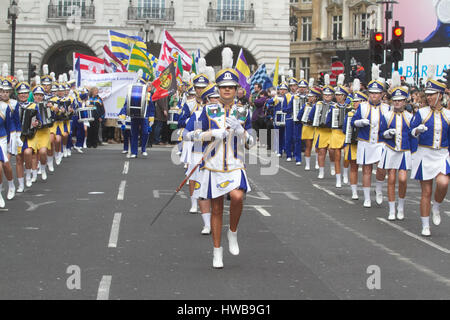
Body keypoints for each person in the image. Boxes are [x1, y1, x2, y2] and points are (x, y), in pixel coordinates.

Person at [193, 55, 254, 269]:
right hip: (213, 165)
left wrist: (241, 131)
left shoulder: (244, 111)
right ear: (218, 89)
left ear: (237, 89)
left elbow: (252, 142)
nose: (227, 90)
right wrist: (212, 133)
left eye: (231, 87)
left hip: (236, 164)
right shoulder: (207, 110)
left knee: (237, 196)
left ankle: (233, 232)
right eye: (223, 87)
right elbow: (192, 135)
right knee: (217, 209)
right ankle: (217, 252)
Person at [410, 77, 449, 237]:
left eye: (433, 94)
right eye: (428, 94)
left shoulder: (448, 114)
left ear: (440, 95)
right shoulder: (421, 113)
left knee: (443, 182)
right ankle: (425, 224)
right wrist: (417, 130)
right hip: (424, 154)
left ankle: (437, 206)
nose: (430, 97)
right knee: (426, 191)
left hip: (442, 154)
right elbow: (411, 131)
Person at [351, 66, 390, 208]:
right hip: (365, 142)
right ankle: (367, 197)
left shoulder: (386, 108)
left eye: (377, 93)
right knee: (366, 169)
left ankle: (378, 188)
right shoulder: (362, 107)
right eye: (371, 93)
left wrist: (389, 133)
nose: (374, 96)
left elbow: (390, 124)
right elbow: (352, 122)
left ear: (381, 94)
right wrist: (359, 122)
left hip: (380, 142)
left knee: (381, 167)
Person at [378, 72, 413, 221]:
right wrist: (387, 133)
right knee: (391, 178)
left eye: (400, 101)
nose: (397, 103)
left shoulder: (411, 117)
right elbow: (380, 133)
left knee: (403, 179)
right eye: (395, 101)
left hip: (404, 151)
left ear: (405, 101)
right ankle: (392, 209)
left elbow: (413, 135)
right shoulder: (387, 115)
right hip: (390, 150)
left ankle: (401, 206)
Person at [342, 79, 367, 200]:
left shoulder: (368, 113)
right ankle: (354, 191)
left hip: (365, 143)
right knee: (353, 167)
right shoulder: (349, 114)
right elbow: (344, 129)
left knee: (368, 168)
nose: (355, 103)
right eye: (355, 101)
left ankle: (368, 191)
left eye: (358, 101)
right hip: (353, 144)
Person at [309, 75, 334, 179]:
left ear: (332, 95)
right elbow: (310, 116)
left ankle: (333, 166)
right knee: (321, 151)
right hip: (321, 131)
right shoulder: (317, 104)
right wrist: (315, 120)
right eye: (325, 95)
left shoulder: (335, 106)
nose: (327, 96)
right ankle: (321, 171)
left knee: (332, 151)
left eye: (329, 95)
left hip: (331, 131)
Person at [327, 74, 350, 188]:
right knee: (337, 155)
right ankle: (338, 178)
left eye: (340, 95)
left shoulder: (349, 106)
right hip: (336, 132)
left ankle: (345, 172)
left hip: (346, 133)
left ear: (344, 96)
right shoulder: (333, 107)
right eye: (336, 95)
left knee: (347, 155)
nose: (337, 97)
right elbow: (327, 121)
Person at [297, 84, 320, 171]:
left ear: (316, 97)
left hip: (316, 128)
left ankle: (317, 163)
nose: (310, 98)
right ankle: (307, 164)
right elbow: (299, 116)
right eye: (309, 96)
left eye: (312, 96)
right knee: (308, 146)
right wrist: (303, 119)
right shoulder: (306, 105)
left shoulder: (319, 105)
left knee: (317, 146)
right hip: (307, 127)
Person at [0, 87, 12, 208]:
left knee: (2, 166)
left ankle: (9, 186)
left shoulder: (4, 107)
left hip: (1, 139)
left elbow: (9, 126)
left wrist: (9, 144)